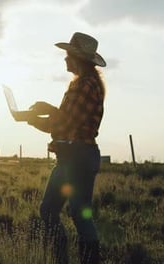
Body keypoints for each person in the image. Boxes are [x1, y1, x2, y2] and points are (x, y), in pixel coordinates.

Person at [27, 32, 106, 264]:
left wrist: (34, 120)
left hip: (76, 157)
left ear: (77, 58)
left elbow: (65, 123)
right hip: (77, 155)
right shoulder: (88, 83)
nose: (64, 59)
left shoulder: (84, 85)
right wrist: (48, 109)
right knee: (77, 213)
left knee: (58, 211)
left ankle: (61, 258)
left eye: (68, 55)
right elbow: (68, 118)